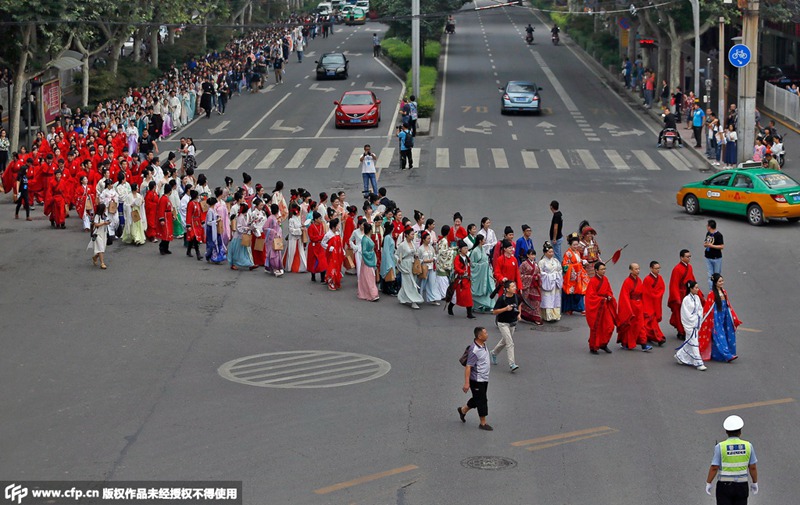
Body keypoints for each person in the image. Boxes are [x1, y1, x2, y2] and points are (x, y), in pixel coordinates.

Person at [705, 415, 758, 503]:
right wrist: (754, 482)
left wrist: (709, 482)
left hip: (724, 486)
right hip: (742, 486)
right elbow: (752, 467)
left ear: (726, 432)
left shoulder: (720, 447)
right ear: (740, 432)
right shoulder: (748, 446)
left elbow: (714, 467)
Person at [699, 274, 741, 363]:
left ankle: (721, 354)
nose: (722, 283)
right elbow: (708, 309)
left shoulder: (724, 292)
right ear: (715, 283)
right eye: (720, 281)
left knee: (728, 333)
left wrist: (733, 317)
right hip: (716, 318)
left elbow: (728, 305)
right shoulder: (712, 294)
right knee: (719, 336)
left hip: (725, 316)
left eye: (722, 281)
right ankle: (727, 355)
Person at [457, 327, 493, 431]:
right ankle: (483, 423)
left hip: (484, 378)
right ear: (479, 336)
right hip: (477, 380)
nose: (487, 334)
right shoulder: (474, 350)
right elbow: (468, 367)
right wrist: (467, 383)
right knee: (482, 400)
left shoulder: (483, 345)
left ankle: (463, 410)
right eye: (485, 333)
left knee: (478, 398)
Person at [616, 263, 653, 351]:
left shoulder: (639, 280)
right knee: (630, 325)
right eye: (636, 269)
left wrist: (644, 306)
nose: (638, 271)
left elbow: (643, 294)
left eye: (638, 269)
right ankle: (626, 342)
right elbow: (624, 296)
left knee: (641, 325)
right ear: (631, 270)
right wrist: (628, 309)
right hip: (631, 305)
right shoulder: (627, 281)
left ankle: (644, 344)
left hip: (639, 306)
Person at [668, 249, 703, 339]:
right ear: (681, 258)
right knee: (681, 313)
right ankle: (681, 331)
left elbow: (692, 279)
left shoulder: (690, 267)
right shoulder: (677, 269)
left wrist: (698, 291)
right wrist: (676, 298)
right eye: (687, 257)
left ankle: (687, 330)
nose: (689, 258)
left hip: (687, 292)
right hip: (680, 293)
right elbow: (674, 284)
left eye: (690, 256)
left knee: (689, 312)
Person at [674, 280, 707, 371]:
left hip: (696, 323)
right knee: (694, 343)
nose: (697, 289)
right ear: (691, 289)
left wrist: (698, 318)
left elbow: (700, 309)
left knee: (690, 342)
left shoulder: (696, 298)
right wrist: (694, 320)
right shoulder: (686, 300)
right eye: (696, 288)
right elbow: (686, 314)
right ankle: (699, 362)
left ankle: (680, 355)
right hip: (690, 324)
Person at [585, 262, 617, 354]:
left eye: (604, 269)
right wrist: (602, 299)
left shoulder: (605, 279)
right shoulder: (593, 281)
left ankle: (603, 343)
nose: (604, 271)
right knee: (597, 327)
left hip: (605, 306)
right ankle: (594, 346)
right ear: (596, 270)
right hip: (597, 306)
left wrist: (609, 295)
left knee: (609, 326)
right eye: (602, 269)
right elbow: (590, 296)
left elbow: (609, 290)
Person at [491, 280, 522, 371]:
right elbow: (494, 312)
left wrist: (519, 314)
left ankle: (494, 352)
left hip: (512, 323)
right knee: (510, 343)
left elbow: (519, 305)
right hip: (503, 323)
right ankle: (512, 363)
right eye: (512, 287)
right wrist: (505, 309)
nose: (515, 288)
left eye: (515, 286)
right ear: (507, 289)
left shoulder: (517, 297)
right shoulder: (502, 299)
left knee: (505, 341)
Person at [395, 228, 423, 309]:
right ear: (406, 235)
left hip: (412, 264)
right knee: (409, 283)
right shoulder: (402, 245)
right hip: (405, 264)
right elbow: (396, 254)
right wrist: (398, 260)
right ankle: (413, 300)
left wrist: (416, 255)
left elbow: (415, 252)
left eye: (413, 234)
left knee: (411, 281)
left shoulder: (413, 243)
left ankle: (402, 296)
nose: (413, 236)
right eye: (411, 234)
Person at [562, 235, 588, 315]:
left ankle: (581, 308)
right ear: (570, 245)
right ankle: (569, 308)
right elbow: (565, 266)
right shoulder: (568, 253)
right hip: (571, 276)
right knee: (570, 293)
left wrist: (582, 262)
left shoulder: (577, 252)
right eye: (574, 245)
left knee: (579, 291)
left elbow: (578, 262)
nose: (576, 246)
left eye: (577, 245)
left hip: (578, 275)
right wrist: (577, 265)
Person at [642, 261, 666, 346]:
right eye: (656, 268)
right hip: (649, 302)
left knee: (654, 320)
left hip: (656, 301)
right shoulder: (647, 279)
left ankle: (649, 336)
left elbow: (662, 288)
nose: (658, 270)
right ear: (651, 268)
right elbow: (646, 293)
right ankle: (659, 337)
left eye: (659, 268)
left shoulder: (660, 278)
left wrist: (658, 295)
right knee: (651, 321)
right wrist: (655, 295)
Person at [449, 240, 475, 319]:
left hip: (467, 280)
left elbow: (469, 268)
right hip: (460, 280)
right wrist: (463, 271)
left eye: (467, 248)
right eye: (465, 248)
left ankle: (469, 313)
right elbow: (456, 268)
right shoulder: (457, 258)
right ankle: (450, 307)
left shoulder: (467, 258)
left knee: (468, 296)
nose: (466, 250)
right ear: (460, 249)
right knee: (456, 296)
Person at [469, 234, 495, 312]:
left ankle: (488, 305)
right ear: (480, 241)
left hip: (485, 272)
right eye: (483, 240)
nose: (485, 241)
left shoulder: (482, 249)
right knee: (479, 289)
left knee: (489, 288)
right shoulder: (475, 251)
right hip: (480, 273)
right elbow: (472, 264)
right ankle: (478, 305)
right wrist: (483, 265)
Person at [538, 243, 562, 322]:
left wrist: (556, 275)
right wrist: (549, 276)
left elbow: (559, 270)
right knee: (547, 298)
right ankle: (548, 315)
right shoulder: (542, 262)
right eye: (549, 252)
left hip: (555, 282)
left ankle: (556, 315)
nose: (551, 253)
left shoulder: (555, 261)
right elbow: (540, 272)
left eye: (552, 252)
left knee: (555, 298)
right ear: (545, 253)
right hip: (547, 282)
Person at [519, 248, 543, 325]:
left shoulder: (536, 264)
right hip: (527, 286)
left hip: (535, 286)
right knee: (527, 301)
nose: (533, 256)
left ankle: (536, 317)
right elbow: (520, 275)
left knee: (536, 301)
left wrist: (538, 277)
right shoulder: (524, 264)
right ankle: (525, 315)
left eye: (534, 254)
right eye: (531, 254)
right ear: (527, 255)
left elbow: (539, 273)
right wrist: (530, 277)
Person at [357, 223, 380, 301]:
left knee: (367, 277)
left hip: (368, 259)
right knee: (369, 277)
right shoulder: (365, 239)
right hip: (367, 260)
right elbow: (364, 251)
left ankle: (368, 292)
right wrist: (372, 253)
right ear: (370, 230)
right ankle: (372, 294)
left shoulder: (366, 238)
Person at [228, 203, 254, 271]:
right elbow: (239, 228)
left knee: (243, 252)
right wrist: (247, 228)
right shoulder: (241, 217)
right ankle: (244, 264)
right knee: (238, 252)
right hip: (239, 237)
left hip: (241, 237)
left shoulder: (243, 216)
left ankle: (249, 263)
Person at [203, 197, 226, 265]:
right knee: (211, 244)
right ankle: (210, 256)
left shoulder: (213, 210)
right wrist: (216, 221)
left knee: (217, 242)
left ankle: (217, 257)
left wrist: (218, 217)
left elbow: (215, 215)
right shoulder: (210, 211)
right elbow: (209, 222)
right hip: (211, 230)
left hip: (214, 228)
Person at [307, 211, 328, 283]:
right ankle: (313, 275)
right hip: (313, 246)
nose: (321, 219)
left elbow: (324, 234)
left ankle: (323, 277)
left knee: (323, 261)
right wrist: (320, 237)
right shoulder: (311, 227)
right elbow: (312, 238)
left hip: (320, 246)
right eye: (319, 218)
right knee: (313, 261)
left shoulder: (322, 225)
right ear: (315, 219)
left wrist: (320, 237)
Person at [704, 220, 724, 292]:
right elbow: (705, 243)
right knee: (710, 275)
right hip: (708, 257)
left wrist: (712, 246)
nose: (706, 227)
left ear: (710, 227)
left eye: (707, 225)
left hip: (717, 258)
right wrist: (706, 244)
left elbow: (722, 246)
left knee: (717, 275)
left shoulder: (718, 235)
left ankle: (717, 289)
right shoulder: (708, 234)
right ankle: (711, 291)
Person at [264, 204, 284, 277]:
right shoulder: (270, 218)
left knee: (277, 253)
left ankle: (274, 268)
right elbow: (265, 228)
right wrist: (273, 232)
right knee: (273, 254)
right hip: (272, 239)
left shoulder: (275, 218)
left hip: (277, 238)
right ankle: (275, 269)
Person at [184, 190, 205, 260]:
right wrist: (188, 225)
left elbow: (200, 213)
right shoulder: (191, 204)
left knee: (193, 237)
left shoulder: (197, 203)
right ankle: (198, 253)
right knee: (195, 237)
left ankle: (188, 250)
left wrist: (202, 221)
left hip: (197, 222)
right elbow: (189, 214)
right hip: (192, 222)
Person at [90, 202, 110, 269]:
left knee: (102, 248)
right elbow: (96, 224)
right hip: (98, 233)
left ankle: (95, 257)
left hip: (104, 233)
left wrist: (107, 223)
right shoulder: (97, 216)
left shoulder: (104, 215)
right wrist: (104, 223)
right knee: (101, 248)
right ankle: (102, 263)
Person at [156, 184, 175, 255]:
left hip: (168, 217)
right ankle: (162, 247)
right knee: (165, 233)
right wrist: (162, 219)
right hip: (165, 218)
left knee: (169, 233)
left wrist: (172, 215)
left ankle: (166, 248)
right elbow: (161, 210)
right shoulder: (163, 199)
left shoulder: (166, 198)